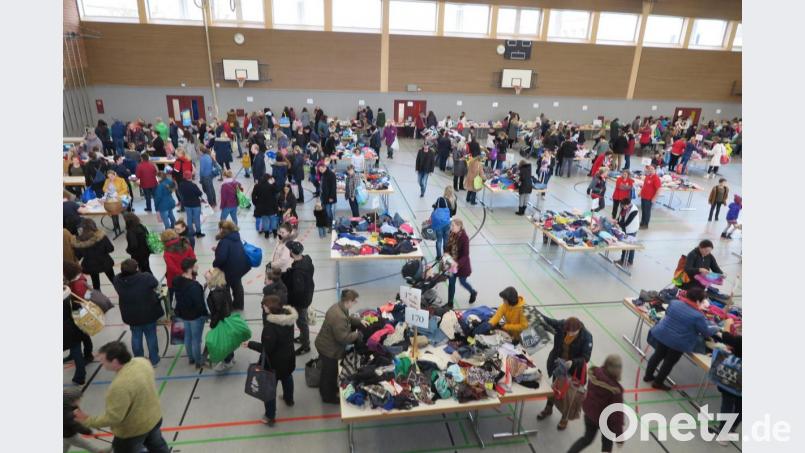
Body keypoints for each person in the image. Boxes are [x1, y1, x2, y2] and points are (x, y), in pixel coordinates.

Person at [73, 341, 170, 452]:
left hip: (132, 431)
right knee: (158, 447)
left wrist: (87, 420)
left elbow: (114, 418)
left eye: (103, 360)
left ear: (114, 361)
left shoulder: (119, 386)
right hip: (153, 419)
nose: (101, 362)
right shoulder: (142, 362)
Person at [644, 287, 719, 391]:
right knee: (669, 362)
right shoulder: (698, 316)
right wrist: (716, 328)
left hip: (663, 334)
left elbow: (668, 314)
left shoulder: (674, 303)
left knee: (657, 355)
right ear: (698, 301)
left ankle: (648, 376)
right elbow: (705, 332)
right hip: (678, 342)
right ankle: (658, 382)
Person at [243, 295, 298, 426]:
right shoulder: (288, 318)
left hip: (274, 363)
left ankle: (270, 416)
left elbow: (266, 348)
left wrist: (250, 344)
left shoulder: (271, 328)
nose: (263, 307)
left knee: (269, 389)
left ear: (270, 309)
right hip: (289, 358)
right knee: (287, 377)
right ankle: (289, 399)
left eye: (264, 306)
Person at [537, 316, 593, 430]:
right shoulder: (563, 325)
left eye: (571, 332)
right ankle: (548, 408)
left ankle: (565, 418)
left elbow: (585, 357)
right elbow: (550, 321)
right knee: (553, 389)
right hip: (559, 365)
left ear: (578, 329)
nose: (568, 334)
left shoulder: (587, 337)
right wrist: (537, 315)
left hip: (573, 370)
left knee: (568, 396)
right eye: (566, 331)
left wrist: (572, 362)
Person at [315, 289, 366, 404]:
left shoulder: (339, 307)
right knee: (329, 372)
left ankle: (328, 389)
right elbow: (343, 338)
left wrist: (359, 321)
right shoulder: (338, 317)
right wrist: (357, 334)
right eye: (354, 301)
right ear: (348, 301)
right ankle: (328, 397)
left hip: (325, 344)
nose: (354, 303)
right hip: (328, 349)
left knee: (328, 371)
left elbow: (348, 319)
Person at [567, 355, 625, 453]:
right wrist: (619, 436)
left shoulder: (595, 374)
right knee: (607, 445)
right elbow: (616, 416)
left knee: (586, 439)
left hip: (590, 414)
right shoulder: (615, 390)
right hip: (605, 421)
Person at [113, 259, 164, 367]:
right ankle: (154, 359)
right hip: (148, 312)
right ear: (136, 268)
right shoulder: (145, 277)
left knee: (136, 336)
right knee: (151, 336)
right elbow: (156, 285)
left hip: (131, 314)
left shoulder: (117, 280)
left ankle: (138, 360)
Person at [173, 258, 209, 369]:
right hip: (195, 317)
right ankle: (199, 361)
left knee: (187, 337)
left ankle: (191, 358)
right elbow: (200, 304)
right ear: (190, 269)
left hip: (183, 315)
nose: (197, 267)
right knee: (196, 340)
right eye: (195, 266)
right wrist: (206, 314)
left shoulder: (177, 280)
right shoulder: (194, 286)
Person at [711, 318, 742, 445]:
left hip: (735, 376)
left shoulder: (741, 340)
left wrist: (728, 324)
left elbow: (726, 337)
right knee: (741, 406)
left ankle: (723, 432)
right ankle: (731, 427)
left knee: (728, 403)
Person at [281, 241, 315, 355]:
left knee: (301, 322)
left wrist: (288, 299)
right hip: (308, 293)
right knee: (302, 320)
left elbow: (298, 291)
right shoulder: (307, 259)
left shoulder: (298, 272)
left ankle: (306, 345)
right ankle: (302, 337)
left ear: (291, 252)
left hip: (301, 301)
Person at [211, 220, 251, 311]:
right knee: (237, 285)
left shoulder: (225, 241)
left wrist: (215, 264)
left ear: (222, 230)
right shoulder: (236, 237)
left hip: (229, 268)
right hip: (240, 266)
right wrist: (218, 249)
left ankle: (228, 307)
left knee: (226, 286)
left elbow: (222, 258)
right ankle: (239, 305)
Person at [63, 263, 92, 385]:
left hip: (69, 326)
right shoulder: (67, 293)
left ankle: (80, 375)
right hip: (72, 323)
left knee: (76, 350)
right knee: (75, 348)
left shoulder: (72, 288)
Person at [64, 387, 111, 453]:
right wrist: (90, 432)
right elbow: (77, 426)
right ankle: (99, 452)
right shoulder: (67, 414)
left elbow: (82, 416)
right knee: (86, 444)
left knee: (64, 446)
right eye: (78, 399)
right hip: (69, 435)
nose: (80, 400)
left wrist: (93, 423)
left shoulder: (72, 406)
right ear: (71, 401)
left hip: (66, 433)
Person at [206, 267, 235, 371]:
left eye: (210, 272)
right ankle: (230, 358)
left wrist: (213, 323)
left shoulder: (217, 293)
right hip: (226, 319)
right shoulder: (221, 288)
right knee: (227, 340)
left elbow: (218, 312)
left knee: (223, 342)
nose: (207, 272)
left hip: (221, 321)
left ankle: (227, 362)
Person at [73, 218, 116, 290]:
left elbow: (78, 256)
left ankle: (98, 299)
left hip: (90, 265)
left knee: (95, 284)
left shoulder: (79, 240)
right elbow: (110, 249)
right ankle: (123, 294)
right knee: (113, 280)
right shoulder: (101, 236)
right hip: (105, 262)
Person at [445, 219, 478, 307]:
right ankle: (450, 303)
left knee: (462, 282)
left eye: (453, 226)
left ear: (459, 227)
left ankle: (473, 292)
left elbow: (465, 255)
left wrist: (457, 263)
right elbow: (447, 246)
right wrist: (446, 252)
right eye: (451, 226)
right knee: (451, 283)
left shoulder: (464, 238)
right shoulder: (451, 234)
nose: (451, 228)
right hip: (451, 263)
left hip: (462, 265)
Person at [161, 229, 195, 304]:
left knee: (172, 293)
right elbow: (193, 258)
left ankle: (171, 308)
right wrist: (186, 273)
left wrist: (181, 273)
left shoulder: (167, 252)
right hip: (188, 275)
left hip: (173, 278)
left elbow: (171, 267)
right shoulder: (186, 245)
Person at [431, 186, 456, 260]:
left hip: (439, 223)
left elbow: (435, 209)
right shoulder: (453, 200)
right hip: (448, 222)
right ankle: (445, 255)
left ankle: (438, 256)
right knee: (446, 240)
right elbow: (454, 212)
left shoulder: (440, 200)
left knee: (439, 240)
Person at [252, 174, 280, 238]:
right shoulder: (271, 186)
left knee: (265, 220)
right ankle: (275, 233)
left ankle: (266, 234)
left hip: (262, 207)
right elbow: (277, 190)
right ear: (268, 179)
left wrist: (256, 203)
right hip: (271, 207)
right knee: (273, 219)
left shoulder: (257, 186)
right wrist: (274, 183)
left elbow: (253, 196)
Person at [616, 198, 640, 266]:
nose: (623, 208)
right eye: (622, 206)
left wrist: (617, 223)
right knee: (624, 244)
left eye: (624, 206)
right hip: (625, 229)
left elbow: (627, 223)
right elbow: (620, 217)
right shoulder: (624, 207)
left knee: (631, 246)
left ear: (628, 204)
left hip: (632, 229)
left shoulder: (634, 210)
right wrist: (617, 221)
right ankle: (622, 260)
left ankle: (630, 261)